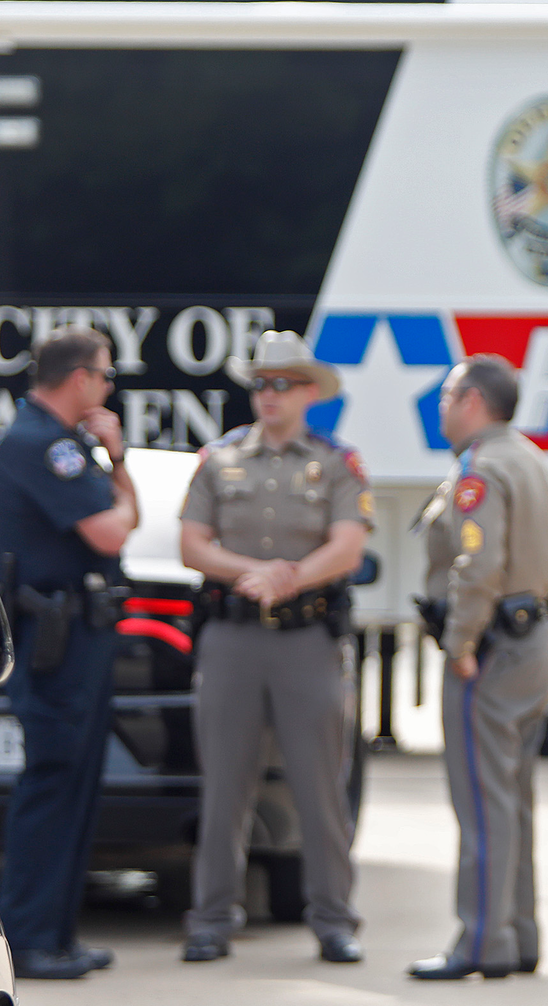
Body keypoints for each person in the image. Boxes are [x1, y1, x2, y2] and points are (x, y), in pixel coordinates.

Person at [177, 330, 372, 964]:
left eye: (283, 384)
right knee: (224, 785)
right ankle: (210, 918)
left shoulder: (338, 462)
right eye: (261, 384)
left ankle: (334, 919)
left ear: (309, 392)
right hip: (231, 639)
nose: (270, 395)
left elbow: (348, 546)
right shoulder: (219, 460)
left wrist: (287, 576)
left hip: (305, 641)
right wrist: (247, 574)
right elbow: (192, 543)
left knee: (320, 785)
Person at [407, 354, 548, 980]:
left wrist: (461, 645)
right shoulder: (528, 456)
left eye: (449, 394)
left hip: (494, 651)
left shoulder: (480, 470)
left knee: (482, 799)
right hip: (533, 642)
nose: (443, 406)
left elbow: (478, 567)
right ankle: (519, 933)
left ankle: (481, 942)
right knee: (514, 798)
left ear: (473, 400)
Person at [0, 326, 140, 980]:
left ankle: (58, 934)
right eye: (104, 376)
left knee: (77, 785)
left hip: (81, 637)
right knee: (51, 786)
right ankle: (29, 938)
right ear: (79, 377)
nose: (107, 388)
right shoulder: (38, 446)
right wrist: (121, 469)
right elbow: (110, 530)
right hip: (56, 644)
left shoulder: (69, 445)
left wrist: (118, 462)